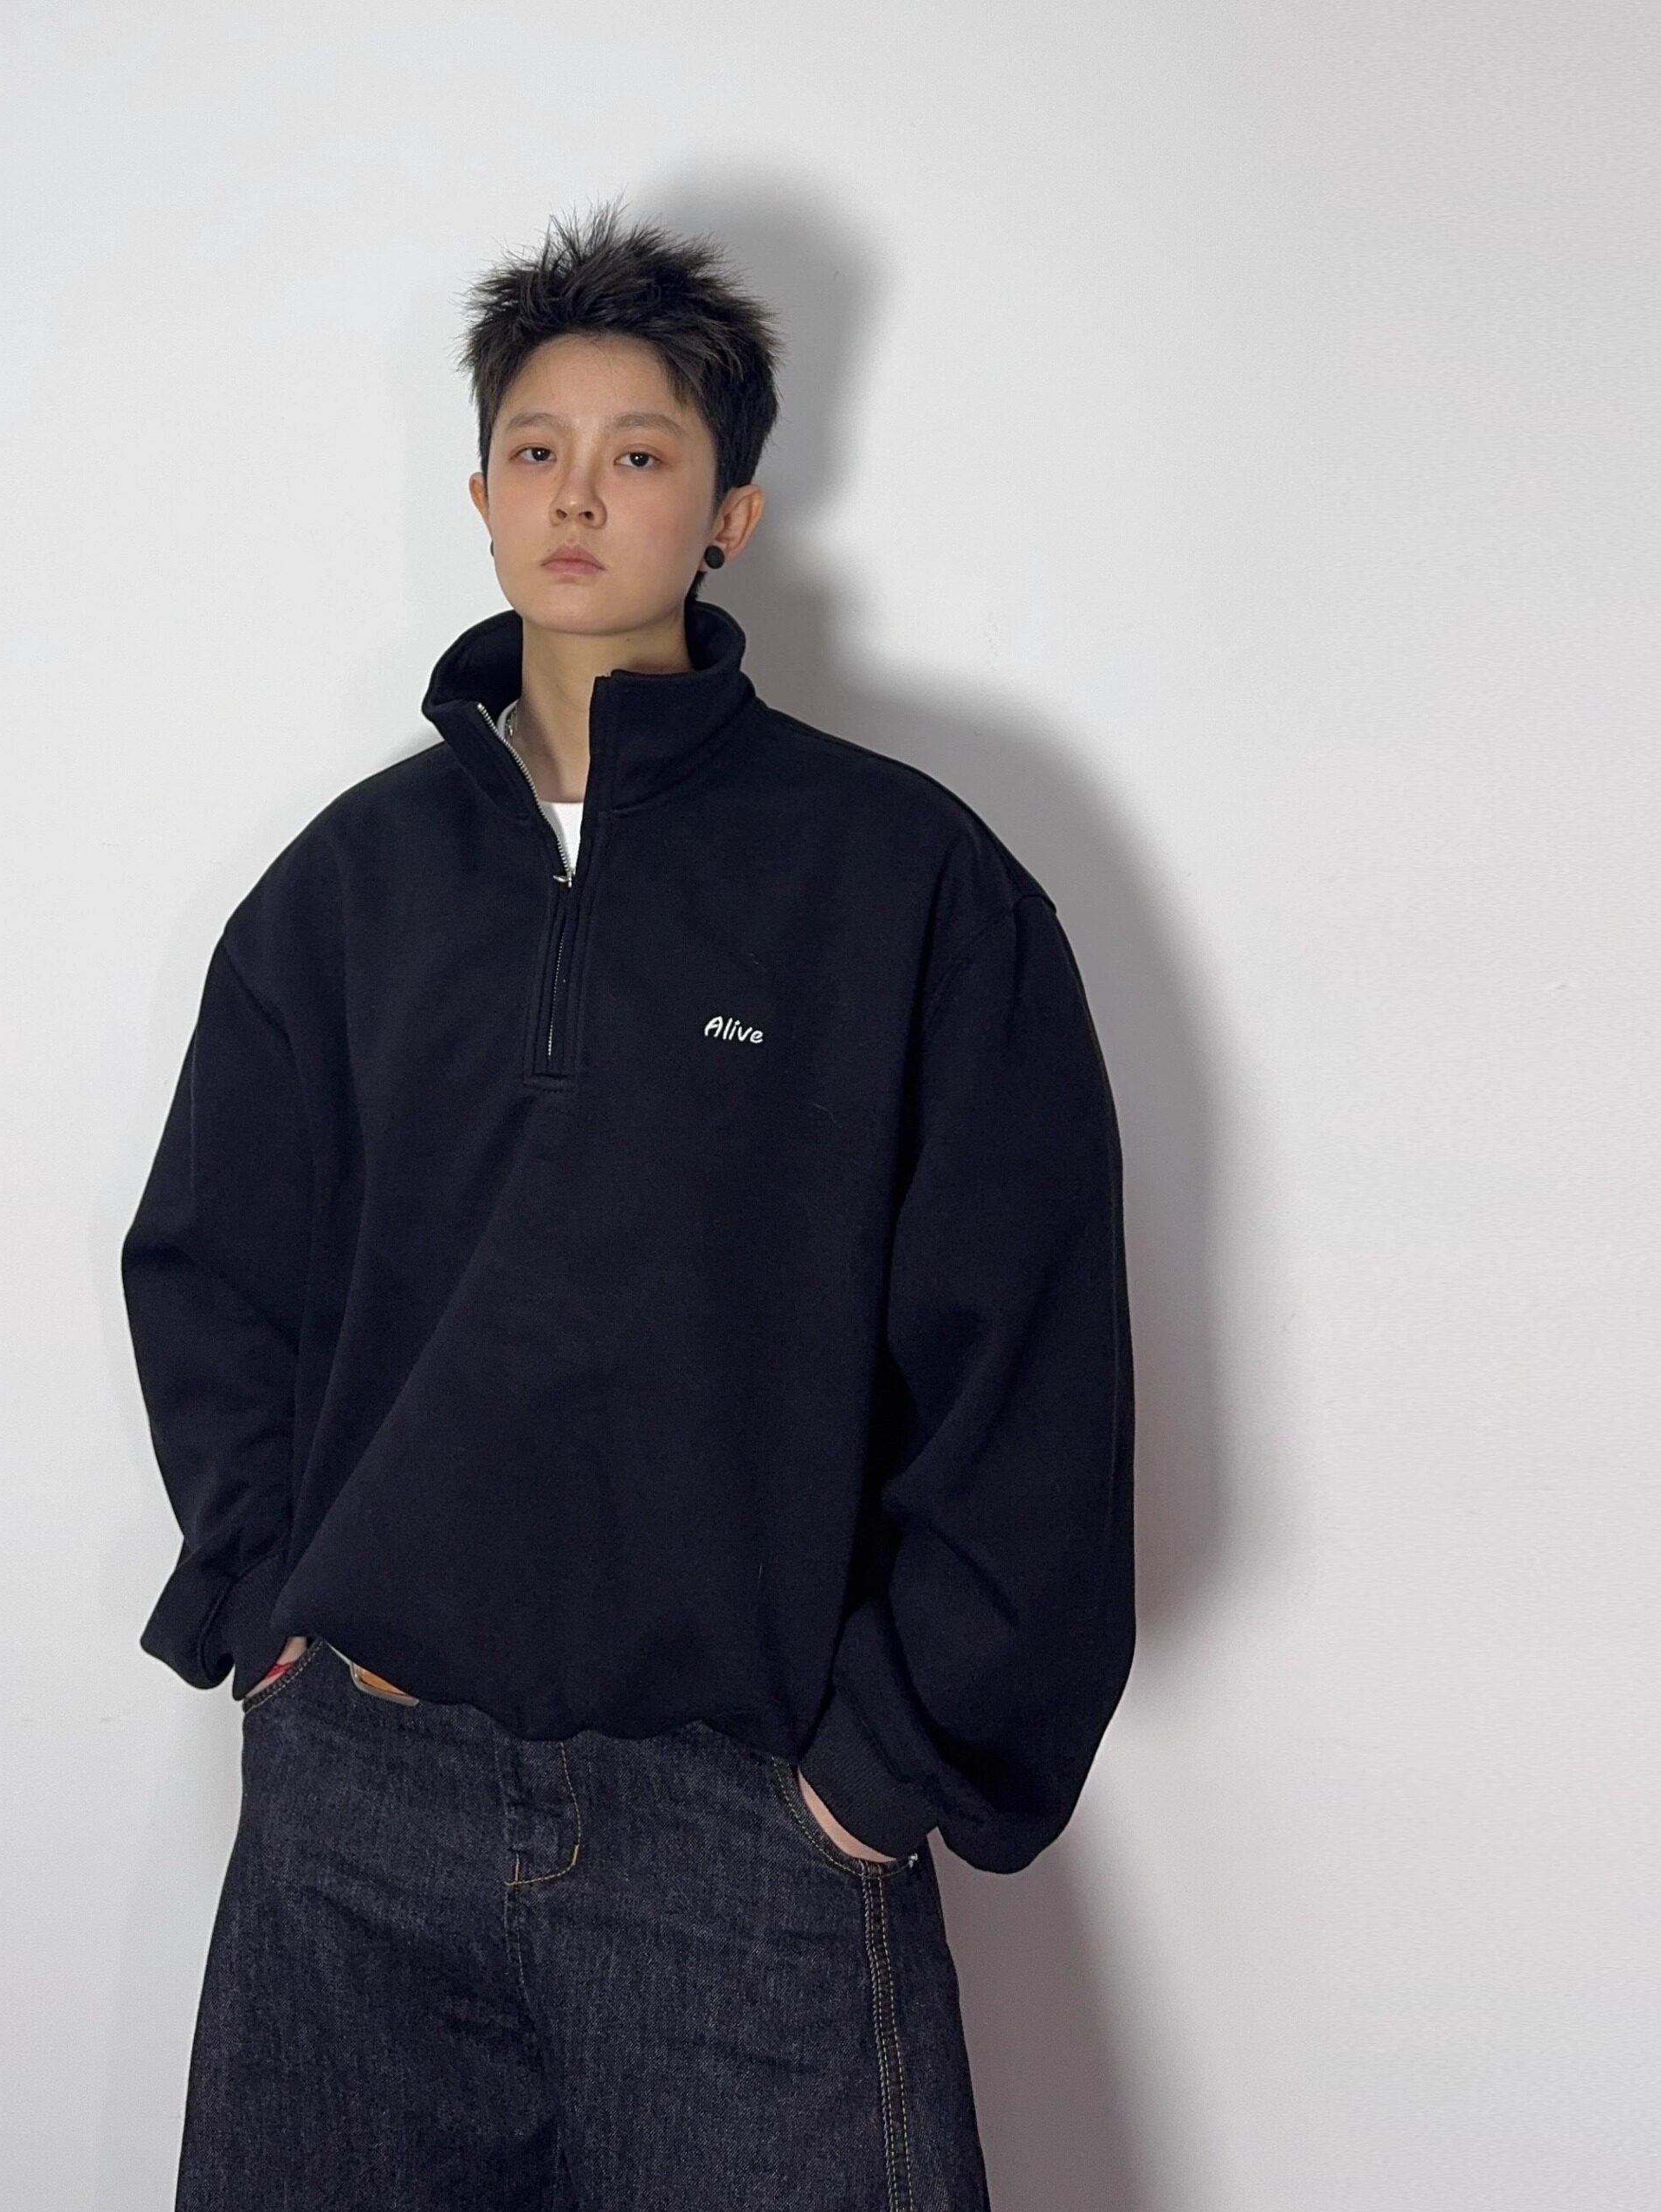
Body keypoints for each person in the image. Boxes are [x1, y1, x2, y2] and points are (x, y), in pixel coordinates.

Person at [121, 200, 1134, 2212]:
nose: (577, 494)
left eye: (638, 450)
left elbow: (1025, 1357)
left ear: (728, 509)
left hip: (743, 1837)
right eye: (534, 448)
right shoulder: (346, 890)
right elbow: (212, 1271)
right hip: (360, 1826)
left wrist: (877, 1771)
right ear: (480, 497)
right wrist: (263, 1622)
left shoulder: (900, 881)